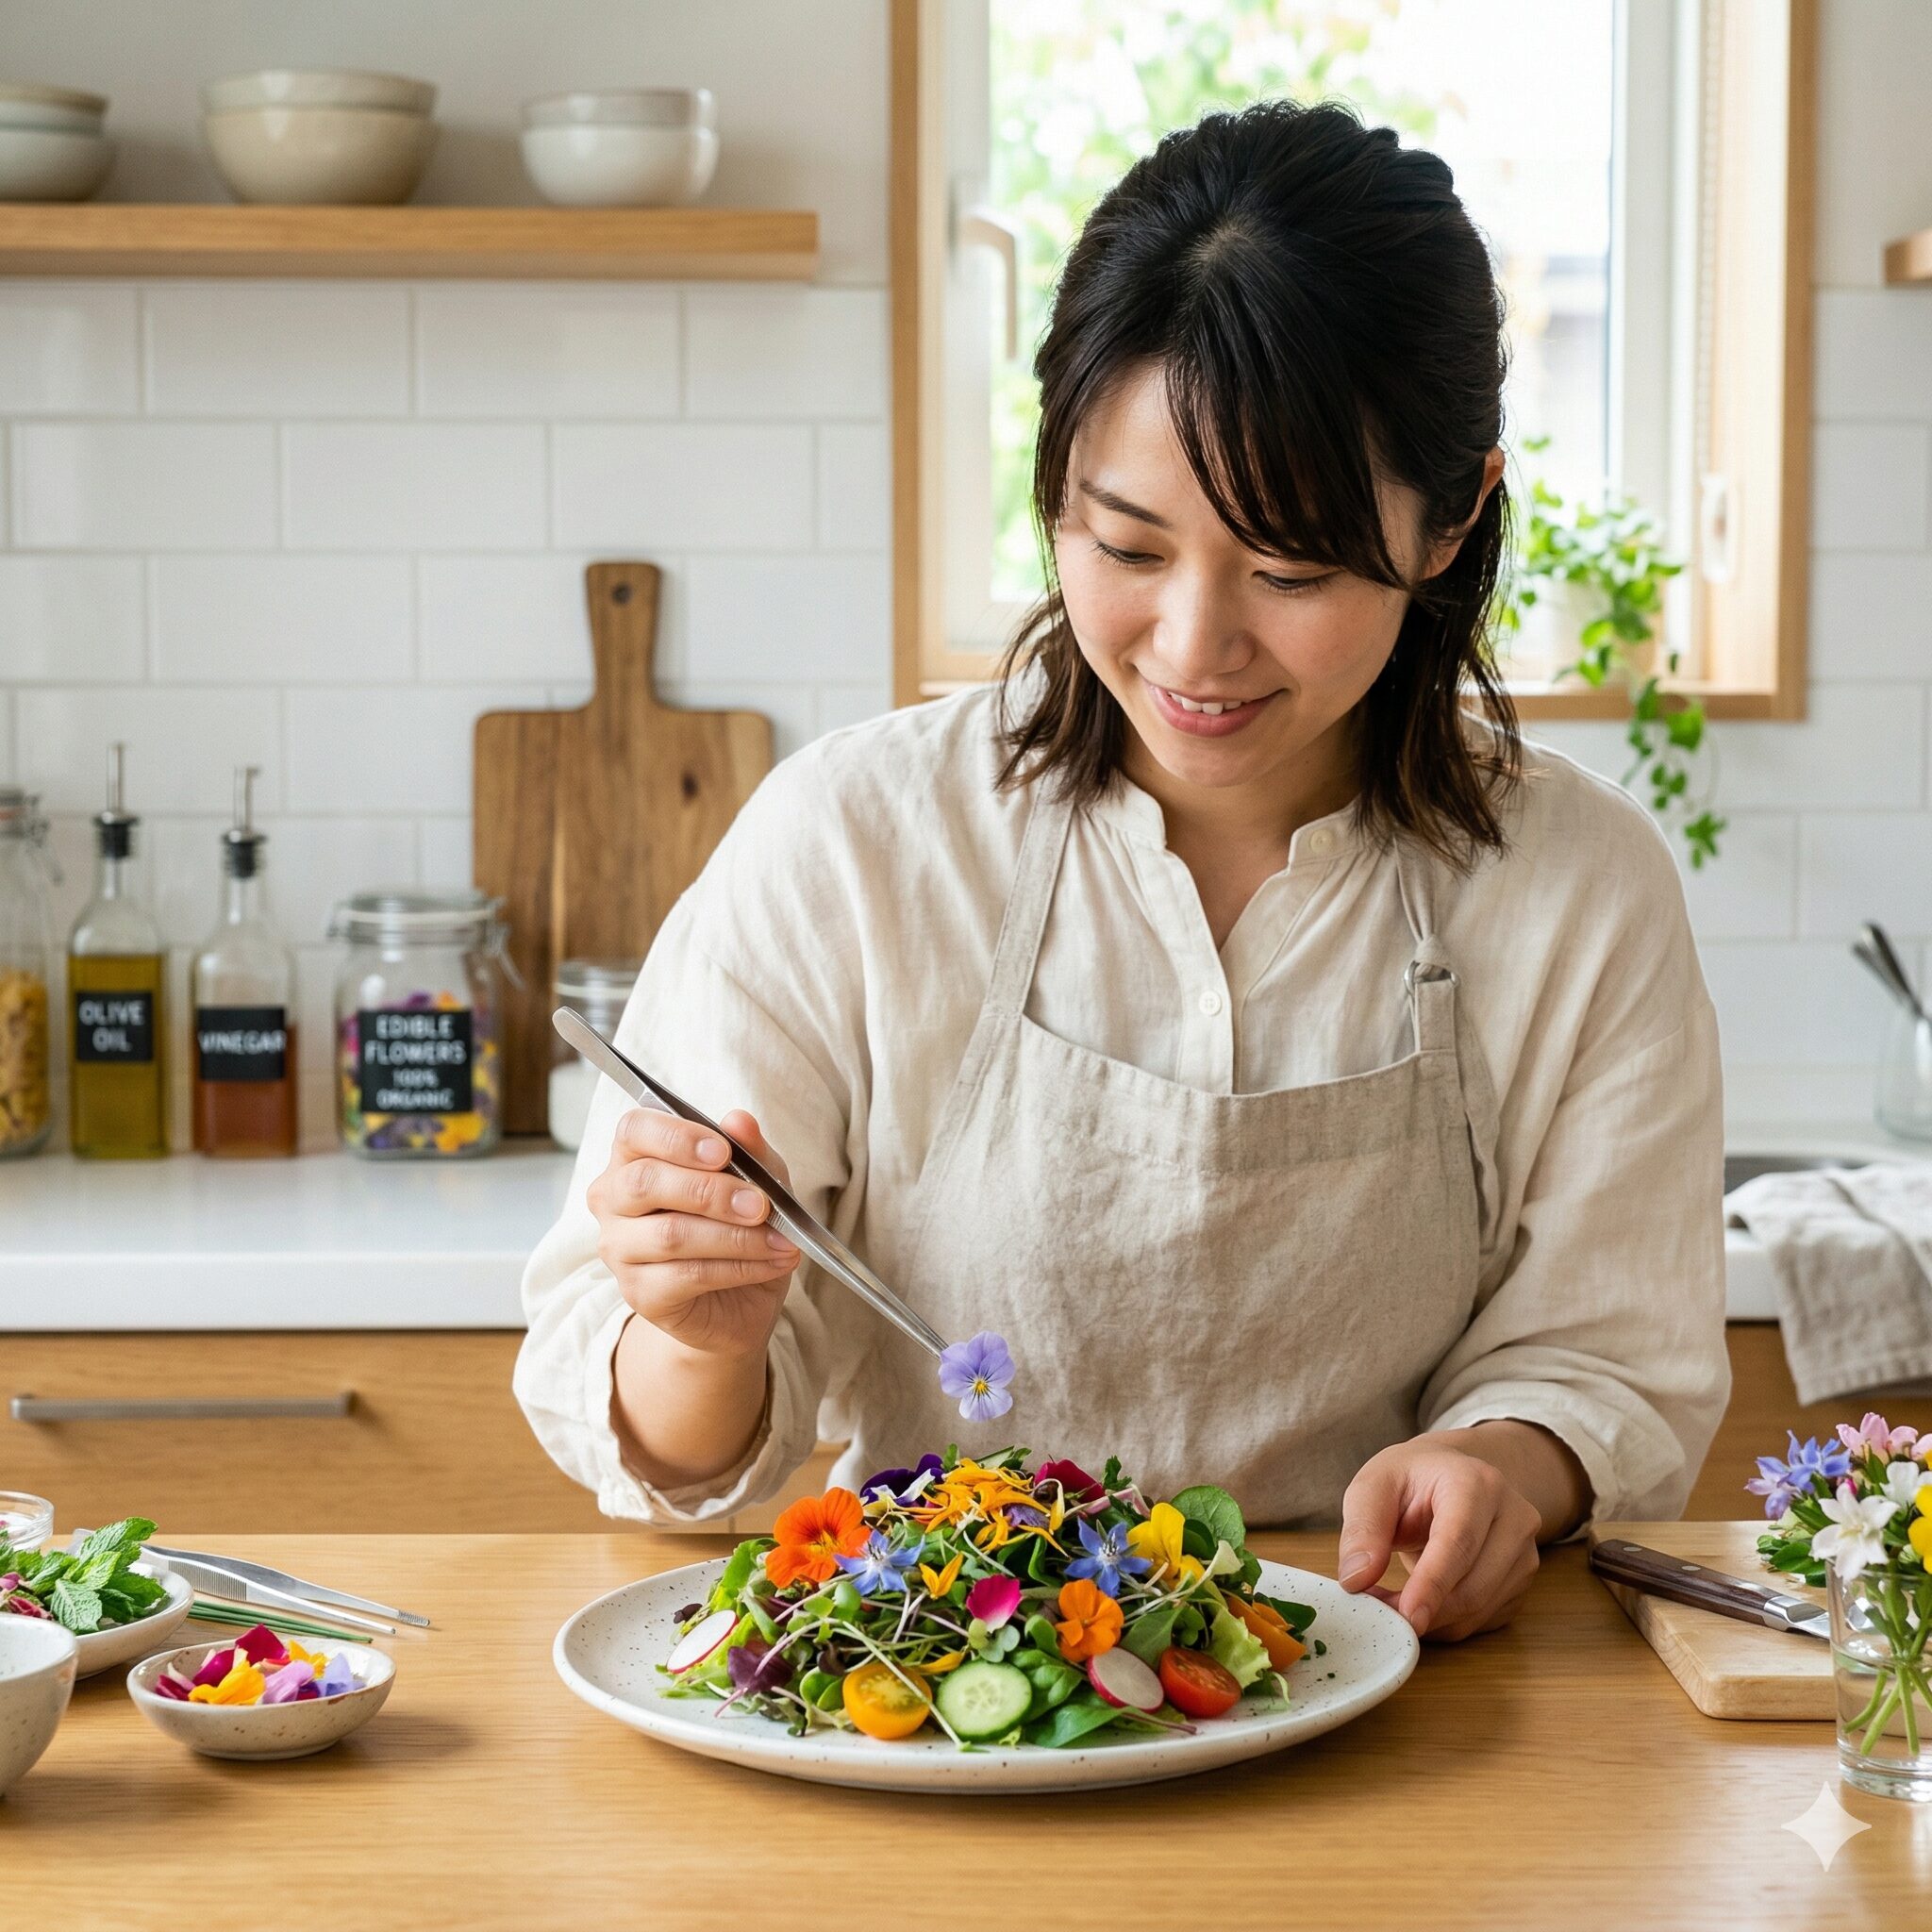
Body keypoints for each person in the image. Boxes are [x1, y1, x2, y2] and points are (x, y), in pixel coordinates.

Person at [516, 98, 1727, 1643]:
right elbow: (645, 1438)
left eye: (1290, 571)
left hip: (1387, 1704)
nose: (1196, 647)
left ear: (1453, 522)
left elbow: (1613, 1356)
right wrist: (698, 1331)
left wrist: (1511, 1460)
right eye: (1131, 548)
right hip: (935, 1705)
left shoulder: (1582, 885)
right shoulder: (857, 839)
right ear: (1055, 491)